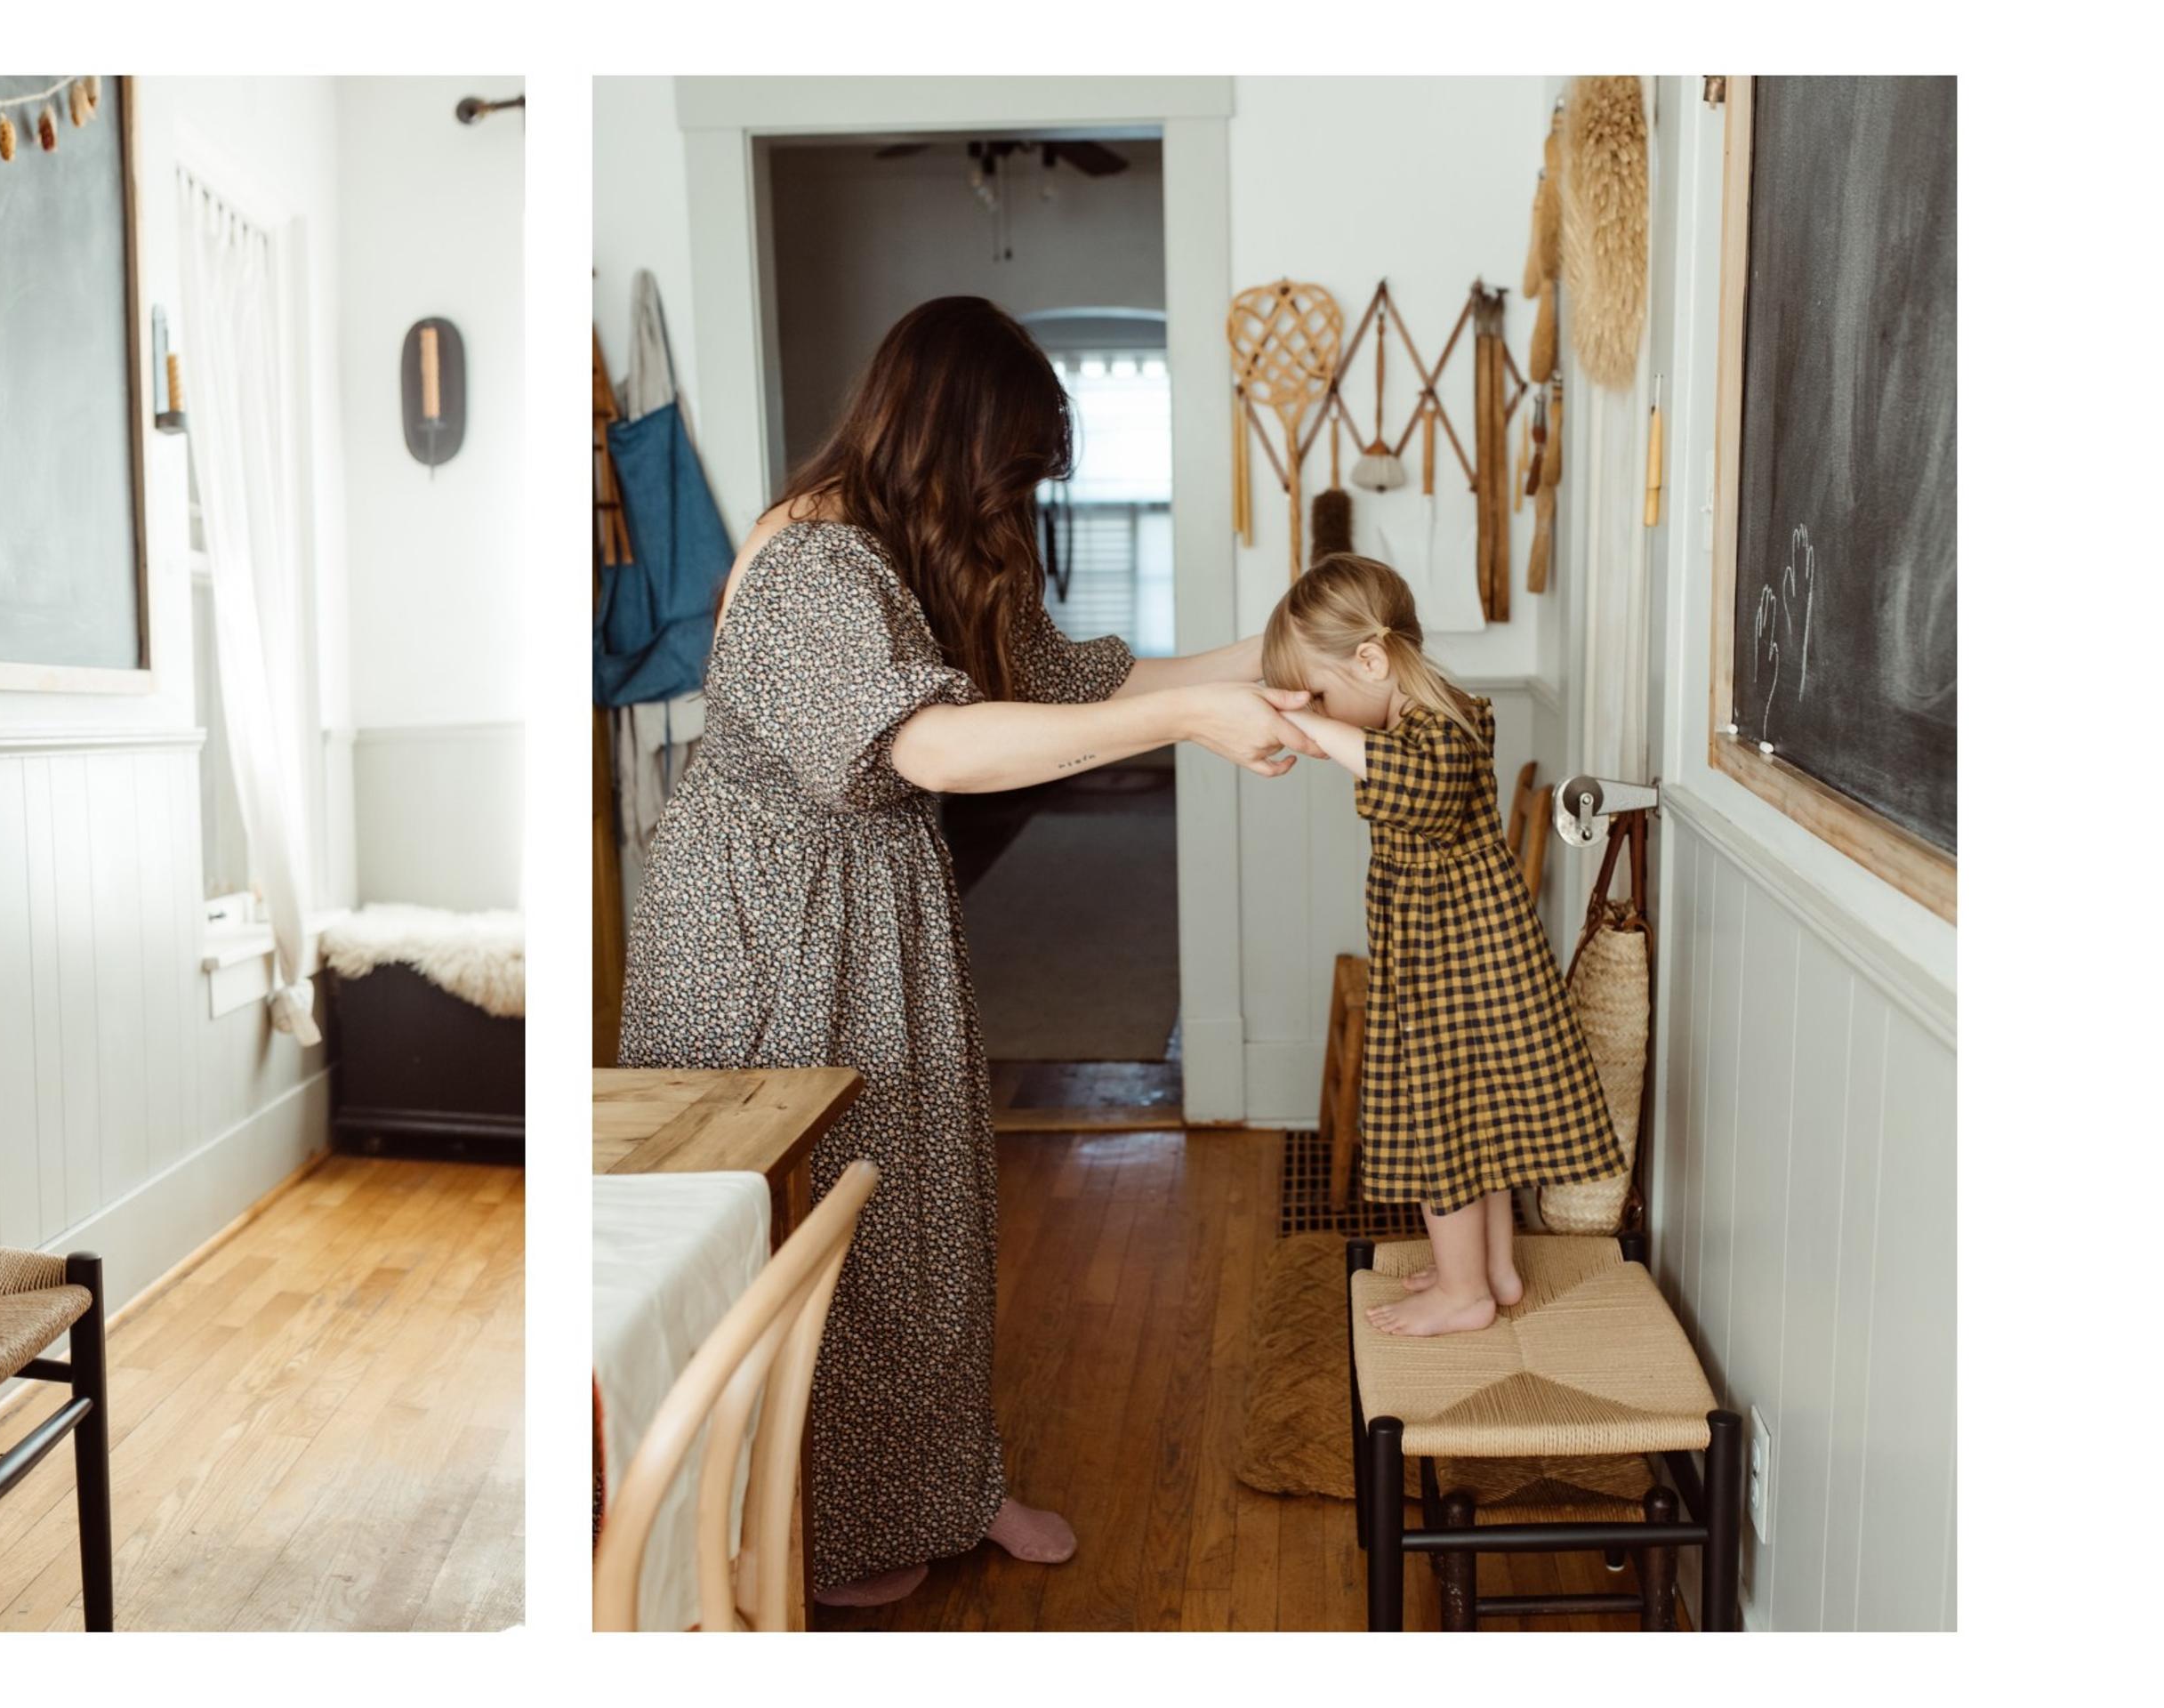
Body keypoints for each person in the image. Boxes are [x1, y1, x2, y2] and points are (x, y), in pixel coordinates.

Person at [618, 296, 1312, 1607]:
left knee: (922, 1211)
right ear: (945, 444)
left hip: (870, 907)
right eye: (1009, 479)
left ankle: (940, 1484)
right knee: (817, 1233)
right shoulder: (816, 567)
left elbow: (1071, 680)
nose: (1019, 511)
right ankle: (809, 1530)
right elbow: (929, 748)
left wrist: (1271, 666)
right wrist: (1199, 723)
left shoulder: (906, 553)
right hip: (771, 936)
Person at [1259, 552, 1626, 1337]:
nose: (1319, 712)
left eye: (1322, 692)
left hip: (1459, 975)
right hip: (1457, 964)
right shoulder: (1430, 715)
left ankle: (1463, 1295)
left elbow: (1422, 790)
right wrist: (1316, 721)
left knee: (1444, 1137)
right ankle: (1488, 1271)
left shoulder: (1440, 731)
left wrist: (1312, 730)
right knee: (1479, 1130)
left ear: (1370, 659)